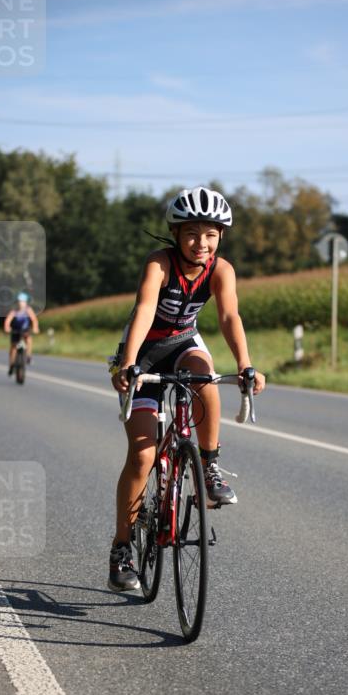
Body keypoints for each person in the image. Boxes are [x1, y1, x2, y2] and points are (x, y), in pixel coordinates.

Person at [109, 185, 266, 591]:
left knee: (205, 375)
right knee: (142, 456)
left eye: (211, 234)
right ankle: (122, 550)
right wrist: (127, 363)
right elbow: (145, 310)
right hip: (142, 350)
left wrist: (245, 365)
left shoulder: (221, 270)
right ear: (176, 234)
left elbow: (230, 316)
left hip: (183, 342)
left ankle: (209, 465)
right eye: (193, 233)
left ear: (221, 237)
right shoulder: (159, 264)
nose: (202, 243)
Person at [4, 292, 39, 374]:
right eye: (19, 301)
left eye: (22, 301)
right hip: (15, 330)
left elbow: (34, 320)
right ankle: (12, 364)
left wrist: (35, 327)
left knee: (29, 340)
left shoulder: (28, 310)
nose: (21, 303)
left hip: (25, 330)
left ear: (25, 302)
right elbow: (8, 320)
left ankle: (28, 356)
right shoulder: (14, 311)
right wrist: (7, 327)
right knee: (13, 347)